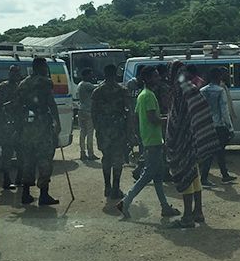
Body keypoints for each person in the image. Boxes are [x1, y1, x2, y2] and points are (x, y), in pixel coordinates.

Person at [116, 67, 181, 220]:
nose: (158, 78)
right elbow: (152, 119)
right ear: (148, 79)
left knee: (157, 176)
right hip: (153, 140)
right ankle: (125, 202)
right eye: (155, 76)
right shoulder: (149, 96)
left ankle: (165, 206)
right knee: (148, 175)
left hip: (150, 139)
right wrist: (170, 119)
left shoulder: (142, 95)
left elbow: (138, 117)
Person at [165, 60, 220, 227]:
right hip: (193, 139)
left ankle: (187, 217)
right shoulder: (191, 88)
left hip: (183, 141)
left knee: (185, 175)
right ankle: (198, 212)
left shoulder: (180, 89)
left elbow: (179, 115)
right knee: (194, 175)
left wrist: (175, 133)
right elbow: (200, 111)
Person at [15, 57, 61, 206]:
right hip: (42, 124)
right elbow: (51, 103)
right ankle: (43, 194)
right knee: (45, 159)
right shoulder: (45, 82)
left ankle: (26, 193)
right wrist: (57, 122)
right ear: (40, 67)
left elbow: (19, 105)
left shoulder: (23, 84)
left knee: (28, 160)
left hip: (27, 126)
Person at [91, 64, 129, 202]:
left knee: (106, 157)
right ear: (115, 73)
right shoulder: (122, 90)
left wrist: (97, 128)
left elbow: (93, 112)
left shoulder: (97, 91)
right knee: (118, 158)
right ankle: (116, 187)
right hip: (118, 127)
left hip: (103, 128)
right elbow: (128, 111)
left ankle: (107, 186)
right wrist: (130, 131)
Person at [199, 66, 236, 185]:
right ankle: (205, 178)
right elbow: (224, 110)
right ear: (219, 77)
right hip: (219, 125)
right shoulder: (220, 91)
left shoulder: (202, 91)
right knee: (216, 151)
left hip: (205, 125)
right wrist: (230, 127)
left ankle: (224, 174)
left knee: (214, 151)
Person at [0, 63, 23, 190]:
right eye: (12, 72)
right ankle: (6, 180)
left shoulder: (21, 88)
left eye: (16, 72)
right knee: (6, 154)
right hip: (6, 125)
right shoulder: (2, 87)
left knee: (22, 153)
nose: (14, 74)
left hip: (18, 124)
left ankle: (19, 179)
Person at [76, 67, 97, 161]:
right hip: (88, 111)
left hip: (81, 110)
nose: (91, 76)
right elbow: (97, 89)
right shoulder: (87, 85)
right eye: (90, 74)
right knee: (89, 133)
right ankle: (90, 153)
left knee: (82, 133)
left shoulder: (80, 84)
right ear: (86, 75)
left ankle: (82, 153)